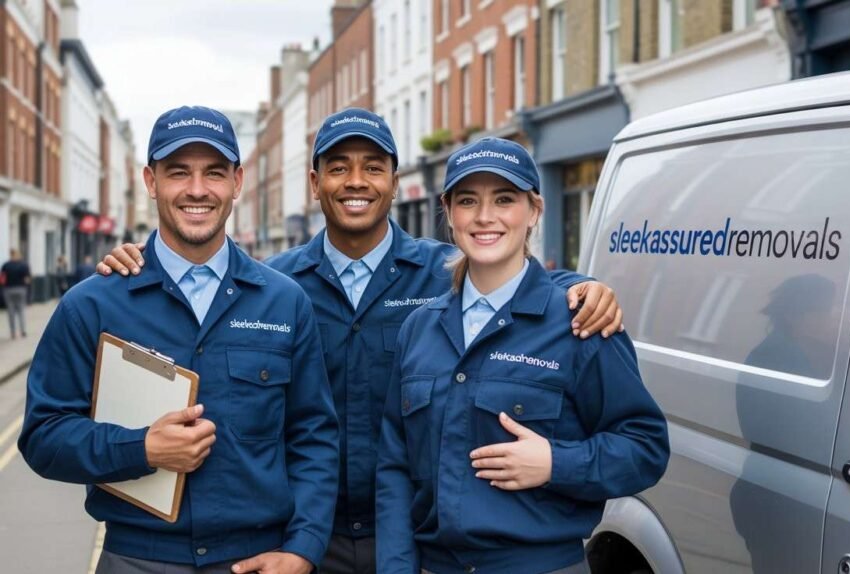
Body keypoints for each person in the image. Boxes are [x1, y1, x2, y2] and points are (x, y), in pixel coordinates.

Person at [97, 108, 625, 574]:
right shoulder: (272, 288)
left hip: (416, 539)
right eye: (338, 167)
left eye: (373, 167)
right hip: (303, 539)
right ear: (314, 182)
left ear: (395, 181)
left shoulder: (443, 275)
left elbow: (510, 279)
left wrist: (578, 287)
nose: (356, 181)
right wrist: (141, 265)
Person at [18, 105, 339, 574]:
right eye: (178, 172)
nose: (197, 189)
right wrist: (142, 449)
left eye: (214, 172)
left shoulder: (284, 302)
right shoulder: (93, 304)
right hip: (137, 559)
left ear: (237, 182)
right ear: (151, 181)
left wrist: (303, 548)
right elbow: (44, 436)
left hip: (256, 559)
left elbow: (314, 437)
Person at [375, 138, 670, 574]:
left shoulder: (579, 323)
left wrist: (556, 463)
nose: (485, 216)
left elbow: (645, 447)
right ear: (449, 213)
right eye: (468, 200)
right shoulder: (419, 329)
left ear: (534, 211)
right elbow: (395, 466)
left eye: (504, 199)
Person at [1, 248, 31, 338]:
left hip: (8, 290)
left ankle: (13, 332)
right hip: (21, 289)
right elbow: (27, 279)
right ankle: (23, 331)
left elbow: (2, 279)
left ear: (11, 255)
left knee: (11, 311)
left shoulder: (5, 265)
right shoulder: (24, 265)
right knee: (21, 310)